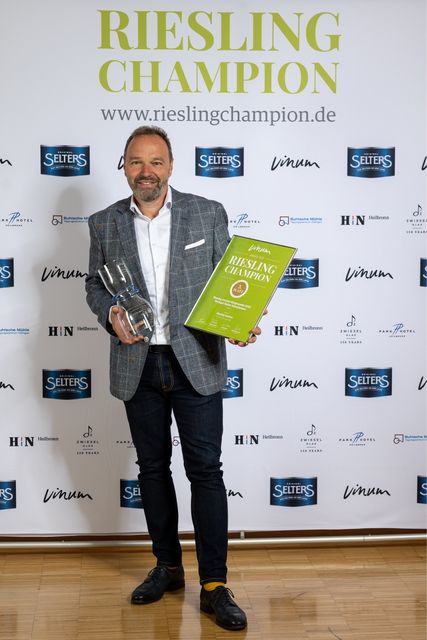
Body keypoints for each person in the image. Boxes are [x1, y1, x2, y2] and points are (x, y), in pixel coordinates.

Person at [85, 126, 261, 631]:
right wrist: (109, 313)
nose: (146, 171)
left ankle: (214, 584)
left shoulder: (208, 213)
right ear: (124, 167)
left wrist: (241, 318)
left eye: (156, 162)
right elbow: (95, 285)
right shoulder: (103, 222)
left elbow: (231, 282)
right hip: (137, 362)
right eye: (136, 162)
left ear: (171, 166)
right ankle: (167, 566)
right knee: (152, 469)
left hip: (195, 360)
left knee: (205, 471)